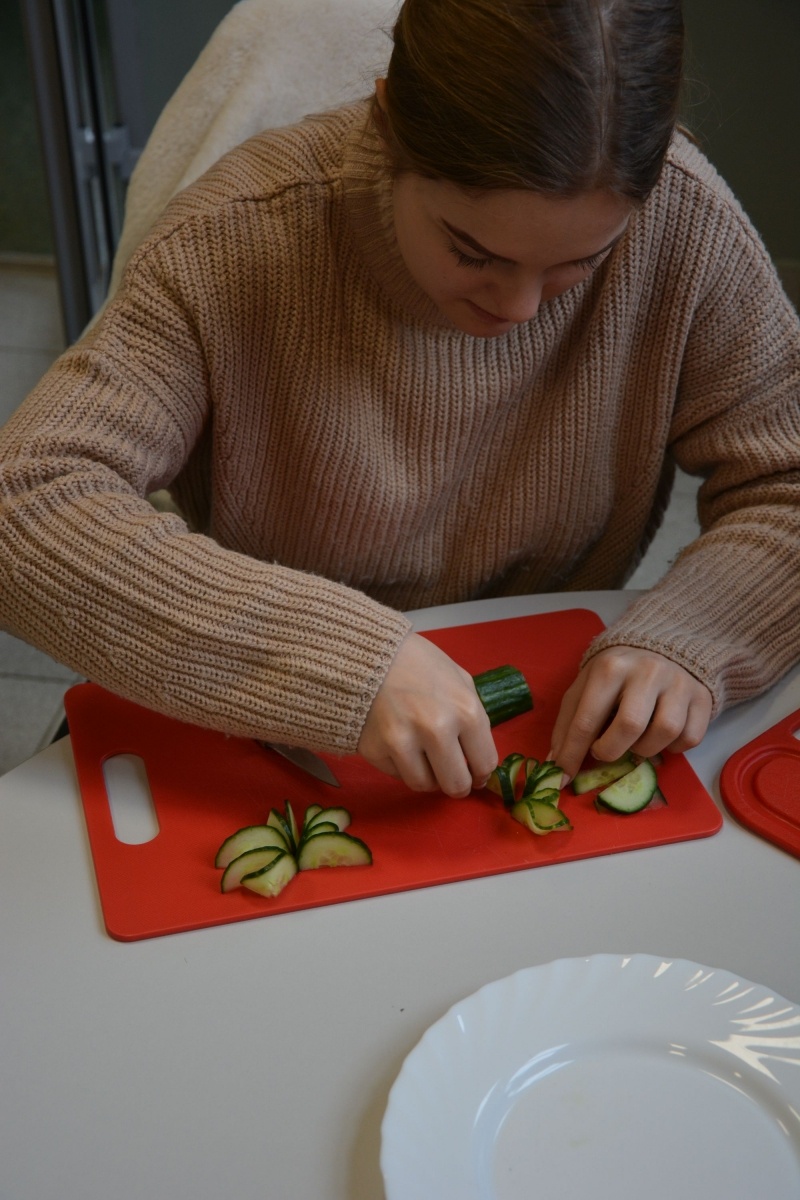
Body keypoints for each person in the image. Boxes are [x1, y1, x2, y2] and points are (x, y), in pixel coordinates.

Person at [0, 0, 798, 798]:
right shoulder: (231, 239)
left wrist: (695, 632)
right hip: (288, 736)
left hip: (550, 707)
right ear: (386, 125)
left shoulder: (686, 223)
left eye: (580, 264)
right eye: (472, 250)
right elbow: (23, 505)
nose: (521, 308)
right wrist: (338, 660)